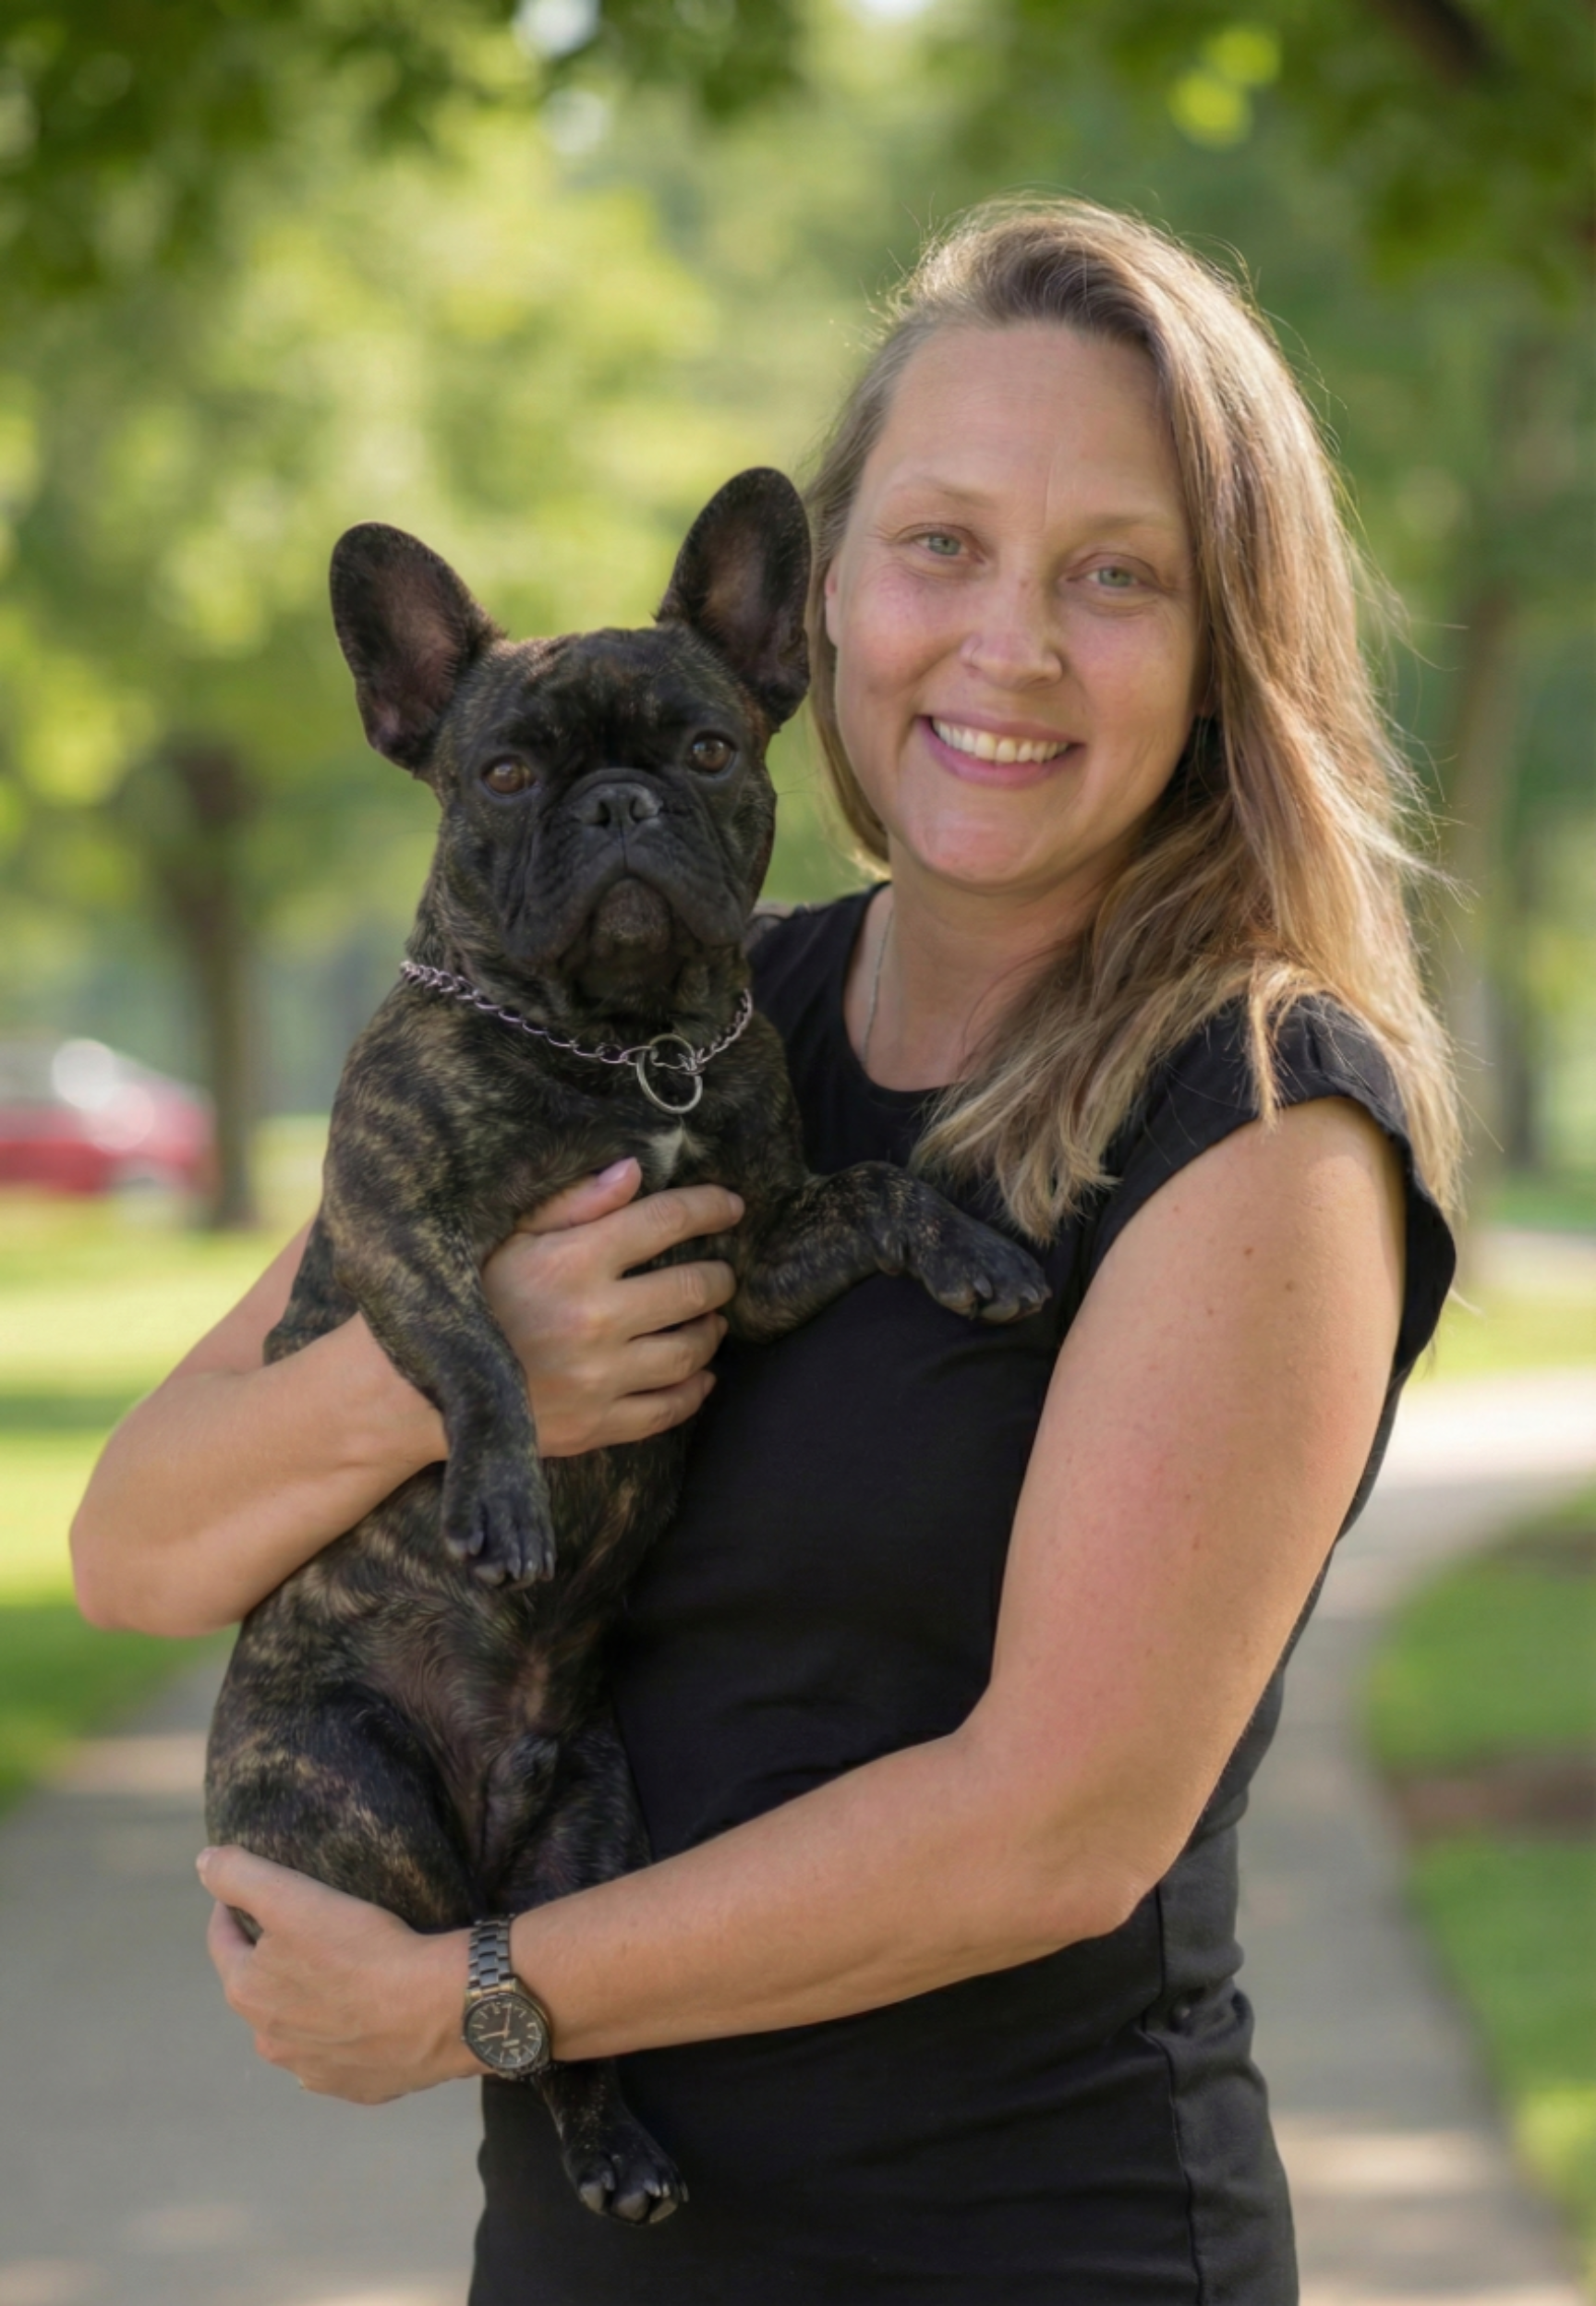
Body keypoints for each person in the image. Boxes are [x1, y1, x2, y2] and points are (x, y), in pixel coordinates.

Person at [72, 198, 1459, 2303]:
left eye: (1116, 576)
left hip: (1021, 2257)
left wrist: (473, 2003)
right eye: (943, 546)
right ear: (823, 608)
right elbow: (144, 1549)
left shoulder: (1255, 1118)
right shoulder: (650, 1029)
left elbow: (1052, 1829)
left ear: (1219, 651)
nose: (1008, 642)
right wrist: (467, 1369)